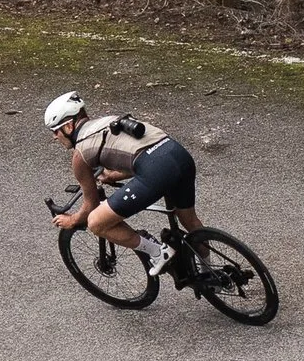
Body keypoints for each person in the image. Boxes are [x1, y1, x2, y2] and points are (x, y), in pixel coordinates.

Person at [43, 91, 200, 276]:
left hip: (157, 170)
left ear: (68, 126)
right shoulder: (109, 121)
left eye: (55, 130)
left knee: (96, 222)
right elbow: (141, 154)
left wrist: (72, 220)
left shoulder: (80, 156)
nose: (54, 137)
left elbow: (90, 206)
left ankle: (159, 252)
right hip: (178, 155)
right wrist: (112, 176)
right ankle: (210, 271)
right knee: (189, 221)